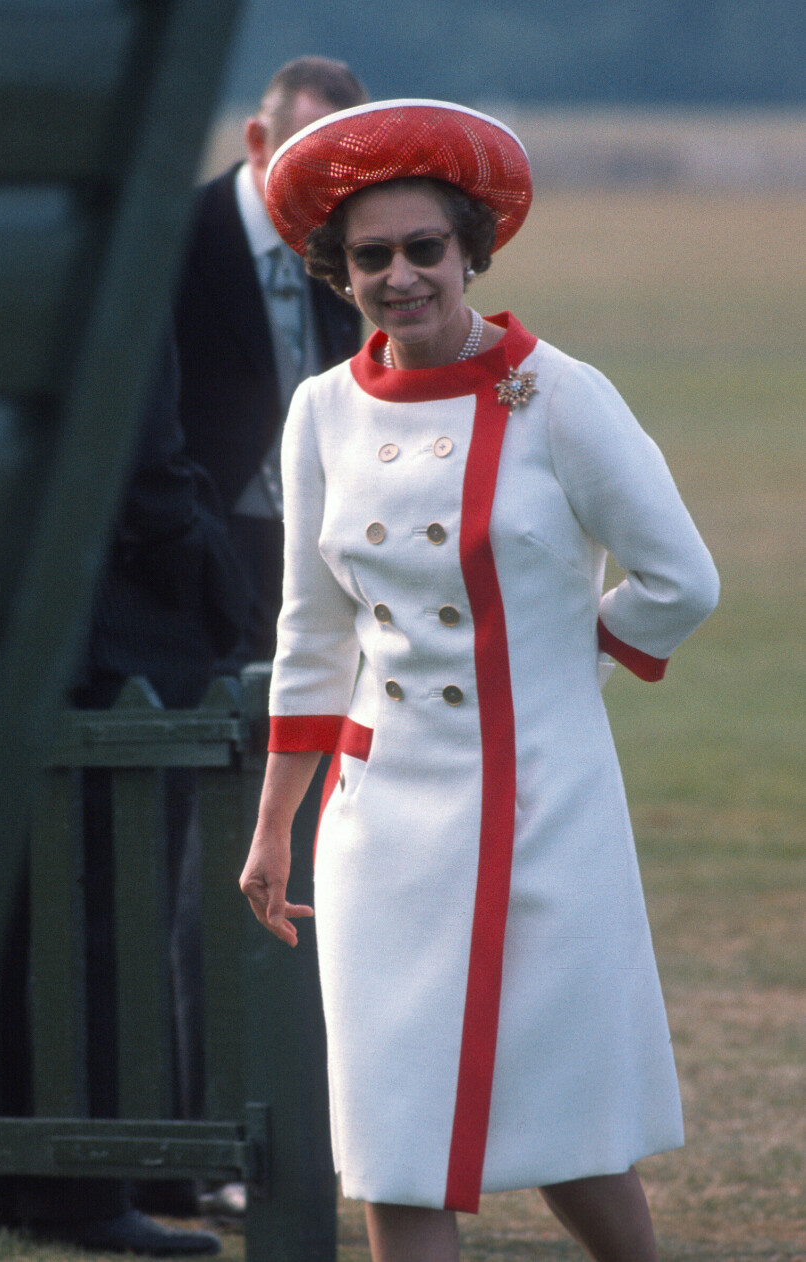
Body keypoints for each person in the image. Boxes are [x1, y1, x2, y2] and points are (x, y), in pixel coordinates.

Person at [239, 100, 720, 1262]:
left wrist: (575, 659)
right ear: (336, 271)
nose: (399, 277)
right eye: (370, 257)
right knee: (394, 1132)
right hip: (381, 813)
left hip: (541, 803)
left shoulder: (562, 394)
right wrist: (273, 826)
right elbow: (313, 630)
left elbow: (681, 577)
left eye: (423, 249)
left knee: (566, 1118)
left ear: (471, 252)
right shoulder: (321, 411)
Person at [0, 326, 246, 1255]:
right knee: (99, 922)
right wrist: (204, 564)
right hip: (101, 618)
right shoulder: (97, 240)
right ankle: (80, 1197)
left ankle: (23, 1182)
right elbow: (140, 451)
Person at [174, 56, 367, 668]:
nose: (332, 194)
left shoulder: (345, 246)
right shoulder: (178, 239)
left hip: (313, 552)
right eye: (312, 164)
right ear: (258, 142)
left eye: (347, 172)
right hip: (196, 559)